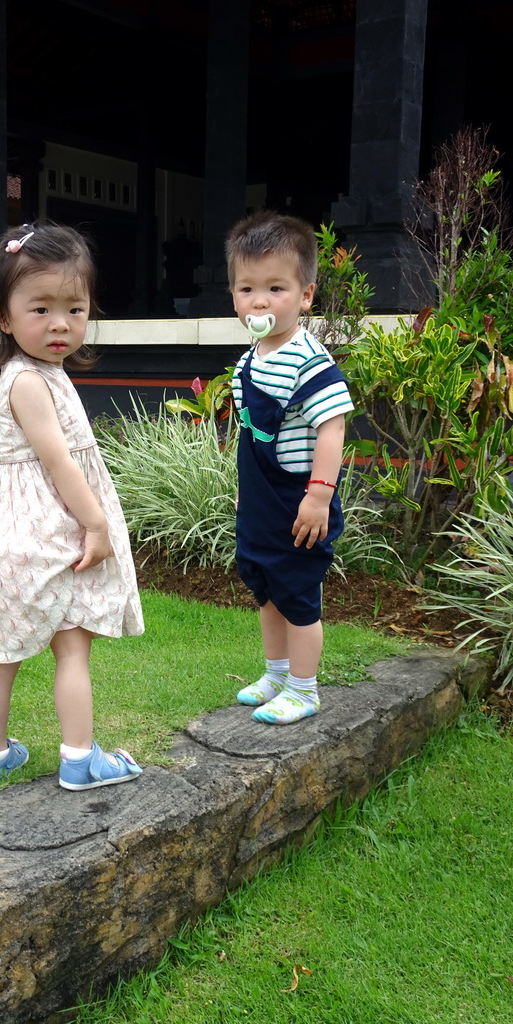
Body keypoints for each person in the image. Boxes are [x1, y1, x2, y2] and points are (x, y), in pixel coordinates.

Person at [0, 222, 144, 789]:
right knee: (72, 646)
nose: (61, 323)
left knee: (1, 654)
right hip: (45, 536)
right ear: (3, 316)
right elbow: (60, 465)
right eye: (41, 309)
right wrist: (97, 523)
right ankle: (80, 759)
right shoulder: (28, 383)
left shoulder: (38, 373)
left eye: (75, 309)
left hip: (10, 537)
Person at [227, 211, 354, 725]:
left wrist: (320, 494)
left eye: (276, 288)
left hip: (302, 501)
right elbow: (249, 434)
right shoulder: (248, 361)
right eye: (246, 288)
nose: (259, 301)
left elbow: (332, 427)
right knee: (266, 587)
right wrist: (246, 492)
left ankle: (304, 688)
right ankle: (276, 673)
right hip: (263, 501)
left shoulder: (309, 360)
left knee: (298, 593)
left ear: (305, 295)